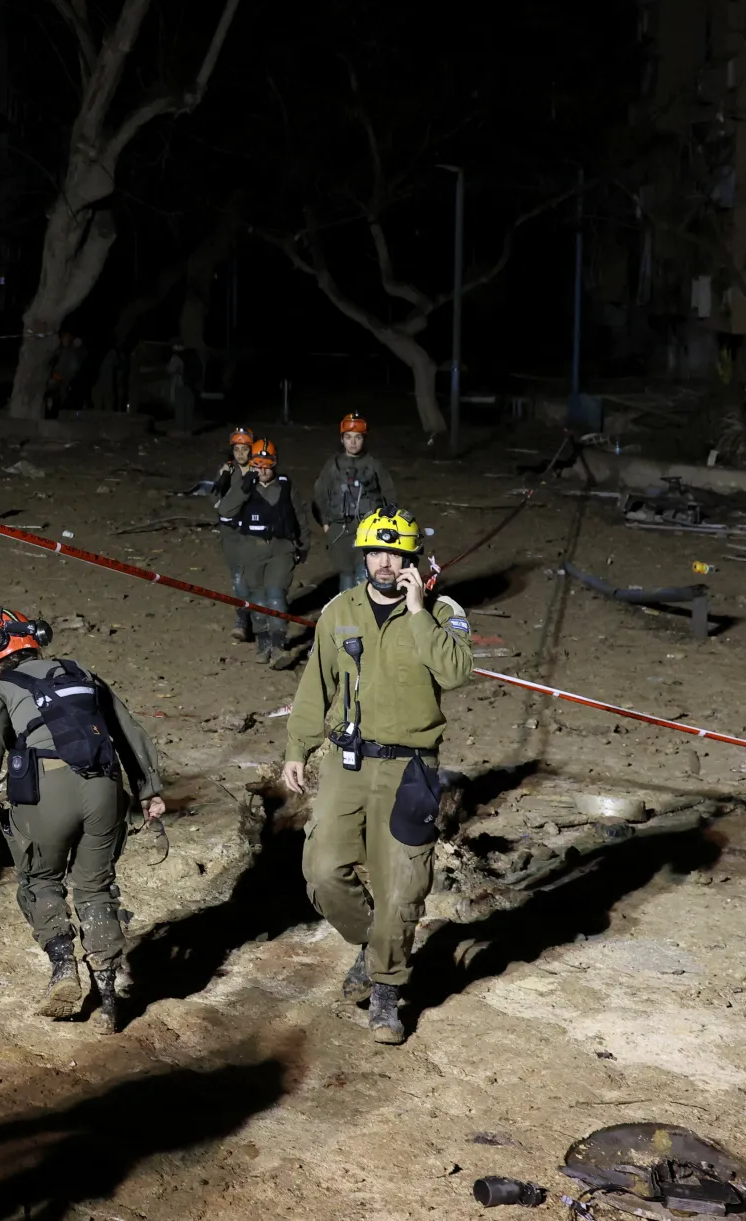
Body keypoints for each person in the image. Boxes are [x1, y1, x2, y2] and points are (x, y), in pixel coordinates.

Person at [279, 510, 471, 1045]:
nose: (385, 563)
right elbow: (315, 685)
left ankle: (387, 989)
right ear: (364, 557)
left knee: (402, 887)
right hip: (347, 764)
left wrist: (418, 613)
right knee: (322, 870)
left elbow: (456, 673)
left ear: (412, 560)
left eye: (396, 554)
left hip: (410, 769)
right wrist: (297, 748)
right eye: (376, 553)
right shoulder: (339, 611)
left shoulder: (443, 612)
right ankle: (372, 945)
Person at [0, 609, 166, 1032]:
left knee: (40, 880)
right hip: (105, 787)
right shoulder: (81, 672)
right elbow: (128, 731)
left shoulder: (3, 688)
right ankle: (108, 997)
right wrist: (149, 791)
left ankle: (62, 967)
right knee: (95, 887)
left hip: (47, 790)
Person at [214, 438, 308, 665]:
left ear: (275, 463)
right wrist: (243, 489)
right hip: (251, 550)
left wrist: (304, 545)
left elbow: (300, 516)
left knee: (275, 595)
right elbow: (225, 510)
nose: (263, 470)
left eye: (268, 464)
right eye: (258, 465)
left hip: (281, 549)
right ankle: (263, 641)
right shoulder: (245, 487)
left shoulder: (285, 486)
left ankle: (278, 645)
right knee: (256, 598)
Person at [312, 413, 400, 592]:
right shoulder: (333, 465)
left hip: (368, 527)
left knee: (364, 572)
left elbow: (389, 494)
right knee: (345, 574)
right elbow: (320, 495)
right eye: (348, 437)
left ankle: (365, 606)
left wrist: (387, 521)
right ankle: (347, 607)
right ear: (342, 439)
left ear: (364, 439)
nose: (353, 442)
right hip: (340, 528)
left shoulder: (374, 464)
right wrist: (326, 523)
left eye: (358, 437)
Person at [194, 426, 258, 643]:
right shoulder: (227, 471)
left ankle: (259, 617)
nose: (241, 454)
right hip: (231, 533)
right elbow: (214, 497)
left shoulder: (260, 470)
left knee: (256, 575)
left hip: (254, 532)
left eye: (245, 449)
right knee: (238, 576)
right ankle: (243, 619)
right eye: (237, 449)